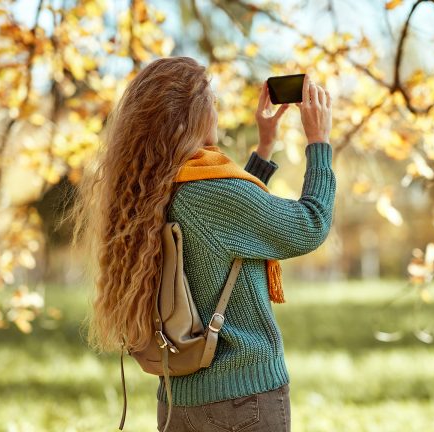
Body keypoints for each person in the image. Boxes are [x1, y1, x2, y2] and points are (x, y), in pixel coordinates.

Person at [67, 56, 335, 432]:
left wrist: (264, 148)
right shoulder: (208, 191)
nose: (217, 111)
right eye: (212, 101)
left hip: (178, 402)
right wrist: (319, 144)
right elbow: (309, 225)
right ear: (193, 113)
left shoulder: (148, 191)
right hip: (243, 402)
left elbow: (227, 228)